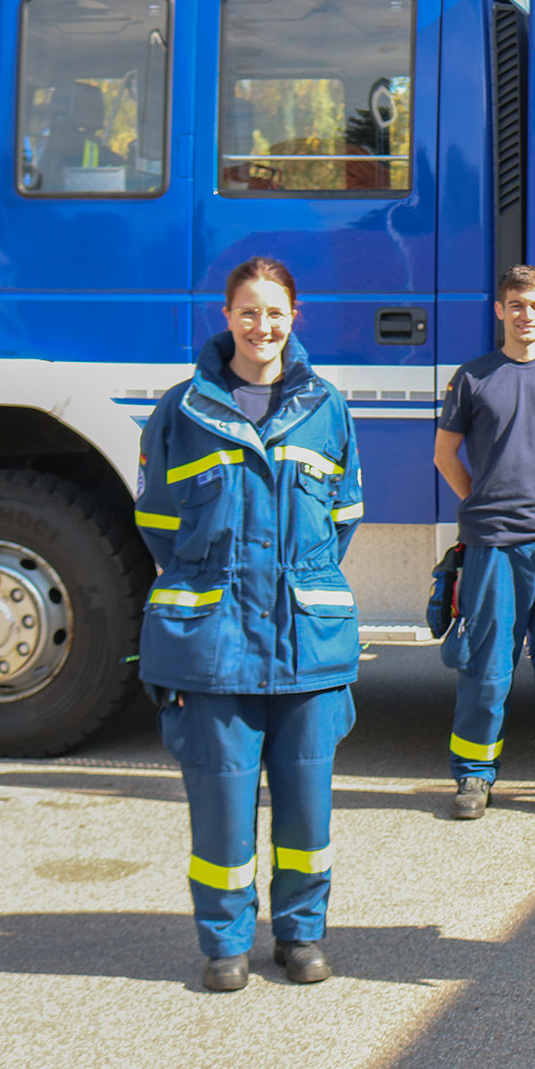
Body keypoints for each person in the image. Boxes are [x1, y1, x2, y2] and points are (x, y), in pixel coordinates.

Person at [135, 258, 364, 992]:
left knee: (307, 810)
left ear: (295, 316)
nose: (261, 326)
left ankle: (300, 937)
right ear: (226, 315)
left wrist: (295, 582)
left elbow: (342, 521)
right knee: (222, 807)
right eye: (248, 311)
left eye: (275, 312)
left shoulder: (328, 406)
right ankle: (225, 942)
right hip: (215, 647)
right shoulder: (181, 410)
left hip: (305, 645)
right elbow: (159, 527)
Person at [435, 264, 535, 820]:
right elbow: (444, 455)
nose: (527, 316)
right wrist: (481, 504)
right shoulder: (473, 377)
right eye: (517, 305)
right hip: (494, 545)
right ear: (500, 311)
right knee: (486, 668)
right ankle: (474, 780)